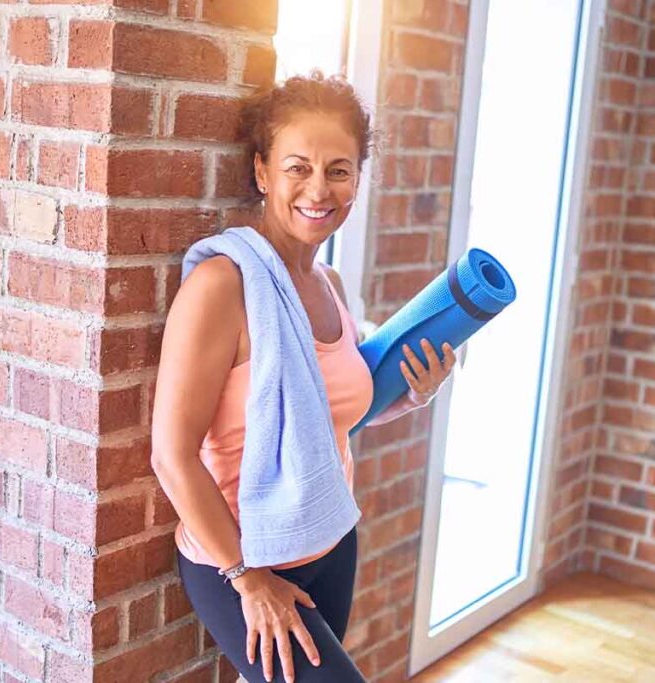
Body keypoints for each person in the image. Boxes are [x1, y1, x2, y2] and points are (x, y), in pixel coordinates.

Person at [151, 71, 456, 683]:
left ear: (357, 180)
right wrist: (249, 580)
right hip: (240, 561)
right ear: (263, 173)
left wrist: (410, 397)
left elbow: (322, 422)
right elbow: (171, 456)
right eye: (298, 167)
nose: (319, 189)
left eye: (338, 170)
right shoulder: (223, 287)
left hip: (330, 541)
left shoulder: (330, 287)